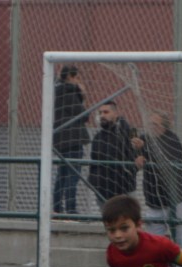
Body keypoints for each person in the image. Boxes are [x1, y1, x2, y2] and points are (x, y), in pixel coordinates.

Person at [131, 111, 182, 254]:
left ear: (164, 126)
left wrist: (143, 148)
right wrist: (137, 157)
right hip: (155, 201)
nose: (151, 127)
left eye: (155, 124)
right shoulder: (144, 139)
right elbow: (136, 157)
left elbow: (166, 158)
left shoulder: (172, 140)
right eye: (150, 124)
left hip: (177, 200)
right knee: (152, 243)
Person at [52, 65, 90, 215]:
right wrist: (83, 96)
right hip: (72, 139)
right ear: (70, 77)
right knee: (71, 176)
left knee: (62, 174)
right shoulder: (69, 93)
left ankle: (57, 207)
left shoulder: (59, 91)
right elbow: (84, 115)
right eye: (77, 78)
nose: (79, 81)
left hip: (61, 140)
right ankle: (71, 209)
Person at [88, 100, 137, 207]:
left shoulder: (130, 131)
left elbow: (137, 153)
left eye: (106, 112)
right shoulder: (98, 137)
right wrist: (94, 182)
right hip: (103, 193)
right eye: (100, 113)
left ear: (116, 113)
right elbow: (93, 163)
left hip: (124, 191)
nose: (102, 115)